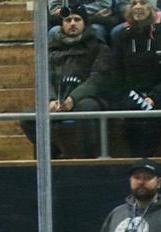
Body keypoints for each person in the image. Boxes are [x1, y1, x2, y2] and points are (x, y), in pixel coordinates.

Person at [69, 0, 161, 158]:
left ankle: (147, 161)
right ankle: (135, 161)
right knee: (130, 109)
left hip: (159, 94)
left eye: (143, 3)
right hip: (130, 94)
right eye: (134, 3)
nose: (138, 7)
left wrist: (155, 96)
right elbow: (116, 73)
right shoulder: (121, 36)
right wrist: (130, 94)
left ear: (153, 9)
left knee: (153, 114)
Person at [27, 5, 109, 159]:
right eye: (68, 20)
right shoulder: (52, 49)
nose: (72, 23)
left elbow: (97, 80)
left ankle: (87, 159)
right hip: (58, 99)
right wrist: (51, 100)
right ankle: (54, 152)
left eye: (77, 19)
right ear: (62, 24)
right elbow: (45, 77)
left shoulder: (99, 47)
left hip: (86, 98)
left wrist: (73, 98)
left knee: (86, 108)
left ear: (84, 23)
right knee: (29, 116)